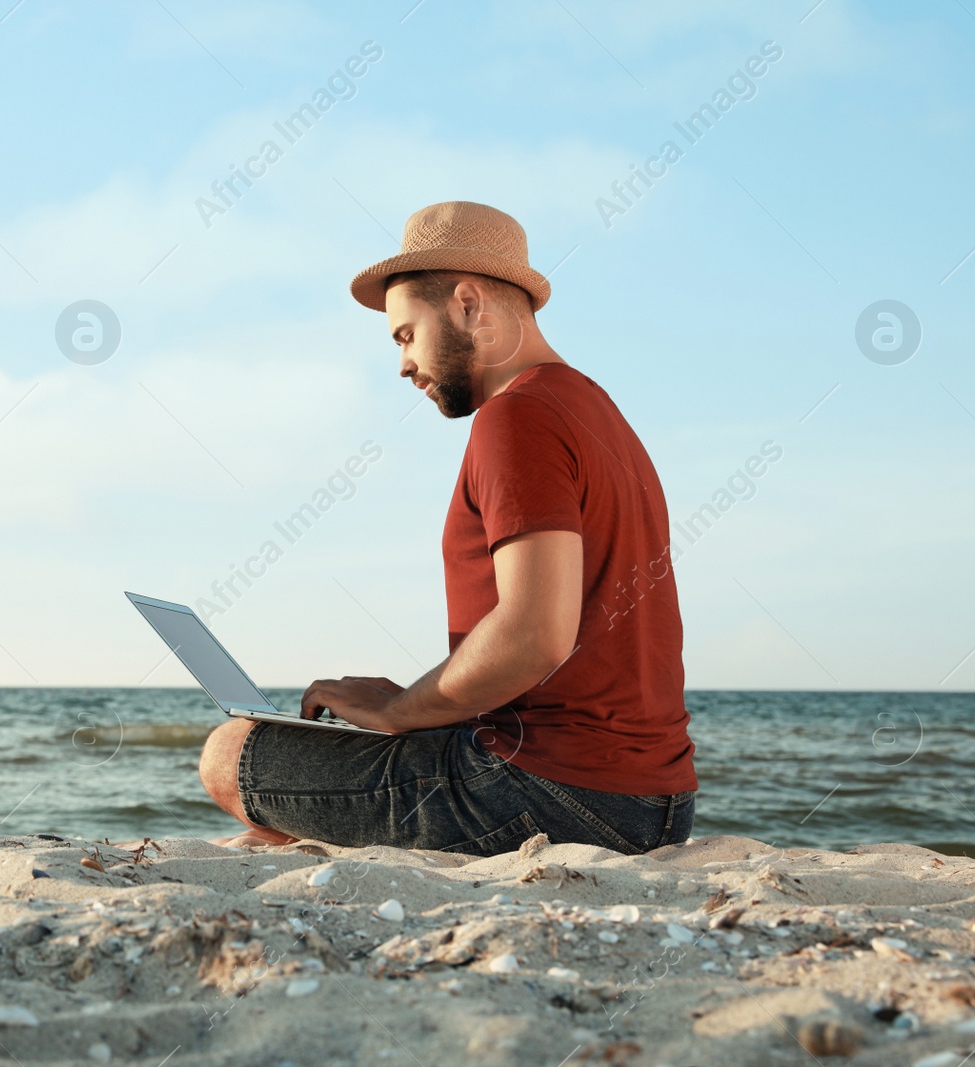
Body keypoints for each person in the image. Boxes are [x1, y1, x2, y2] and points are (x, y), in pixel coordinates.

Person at [198, 201, 697, 856]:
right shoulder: (594, 409)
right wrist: (410, 703)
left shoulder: (516, 416)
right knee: (290, 806)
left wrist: (396, 712)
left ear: (466, 304)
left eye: (406, 335)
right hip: (656, 798)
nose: (403, 364)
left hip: (553, 789)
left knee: (229, 750)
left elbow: (534, 637)